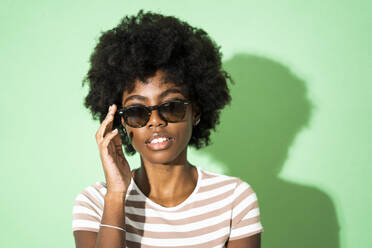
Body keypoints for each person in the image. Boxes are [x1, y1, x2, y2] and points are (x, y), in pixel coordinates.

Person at [72, 9, 264, 248]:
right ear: (121, 122)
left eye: (170, 106)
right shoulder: (95, 202)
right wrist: (116, 195)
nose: (155, 121)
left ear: (196, 112)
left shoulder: (234, 199)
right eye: (136, 112)